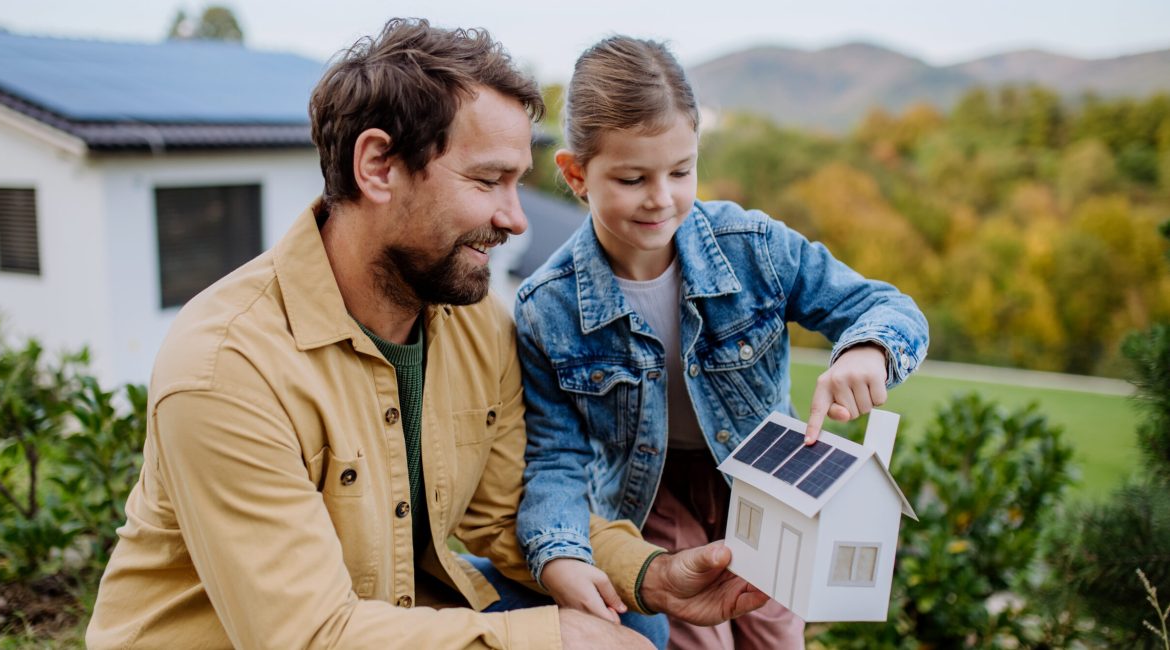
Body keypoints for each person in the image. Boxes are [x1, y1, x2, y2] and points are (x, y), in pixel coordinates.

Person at [86, 19, 769, 650]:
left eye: (516, 184)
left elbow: (511, 510)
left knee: (627, 611)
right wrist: (545, 639)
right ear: (378, 166)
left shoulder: (473, 323)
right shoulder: (228, 367)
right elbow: (306, 636)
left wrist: (650, 573)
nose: (515, 220)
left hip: (388, 610)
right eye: (487, 181)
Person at [513, 36, 929, 649]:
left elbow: (885, 306)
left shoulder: (753, 247)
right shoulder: (548, 307)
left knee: (774, 632)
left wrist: (868, 349)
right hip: (646, 498)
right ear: (576, 174)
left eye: (681, 171)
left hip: (764, 479)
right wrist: (560, 552)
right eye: (632, 178)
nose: (662, 197)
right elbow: (554, 456)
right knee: (696, 639)